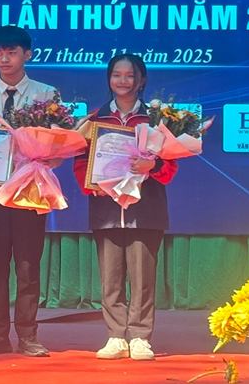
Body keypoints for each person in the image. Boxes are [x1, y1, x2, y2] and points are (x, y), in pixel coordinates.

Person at [72, 53, 178, 361]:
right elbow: (80, 161)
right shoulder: (94, 120)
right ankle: (116, 336)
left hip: (146, 209)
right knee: (111, 277)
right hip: (105, 208)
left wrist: (152, 165)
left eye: (130, 75)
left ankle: (141, 337)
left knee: (143, 277)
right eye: (116, 75)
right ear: (109, 79)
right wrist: (91, 184)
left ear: (141, 80)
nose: (122, 80)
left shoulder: (157, 120)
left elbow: (171, 167)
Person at [0, 25, 57, 358]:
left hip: (30, 191)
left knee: (28, 266)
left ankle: (29, 336)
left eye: (11, 52)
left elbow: (56, 143)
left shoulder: (47, 94)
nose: (4, 59)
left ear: (26, 55)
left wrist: (51, 156)